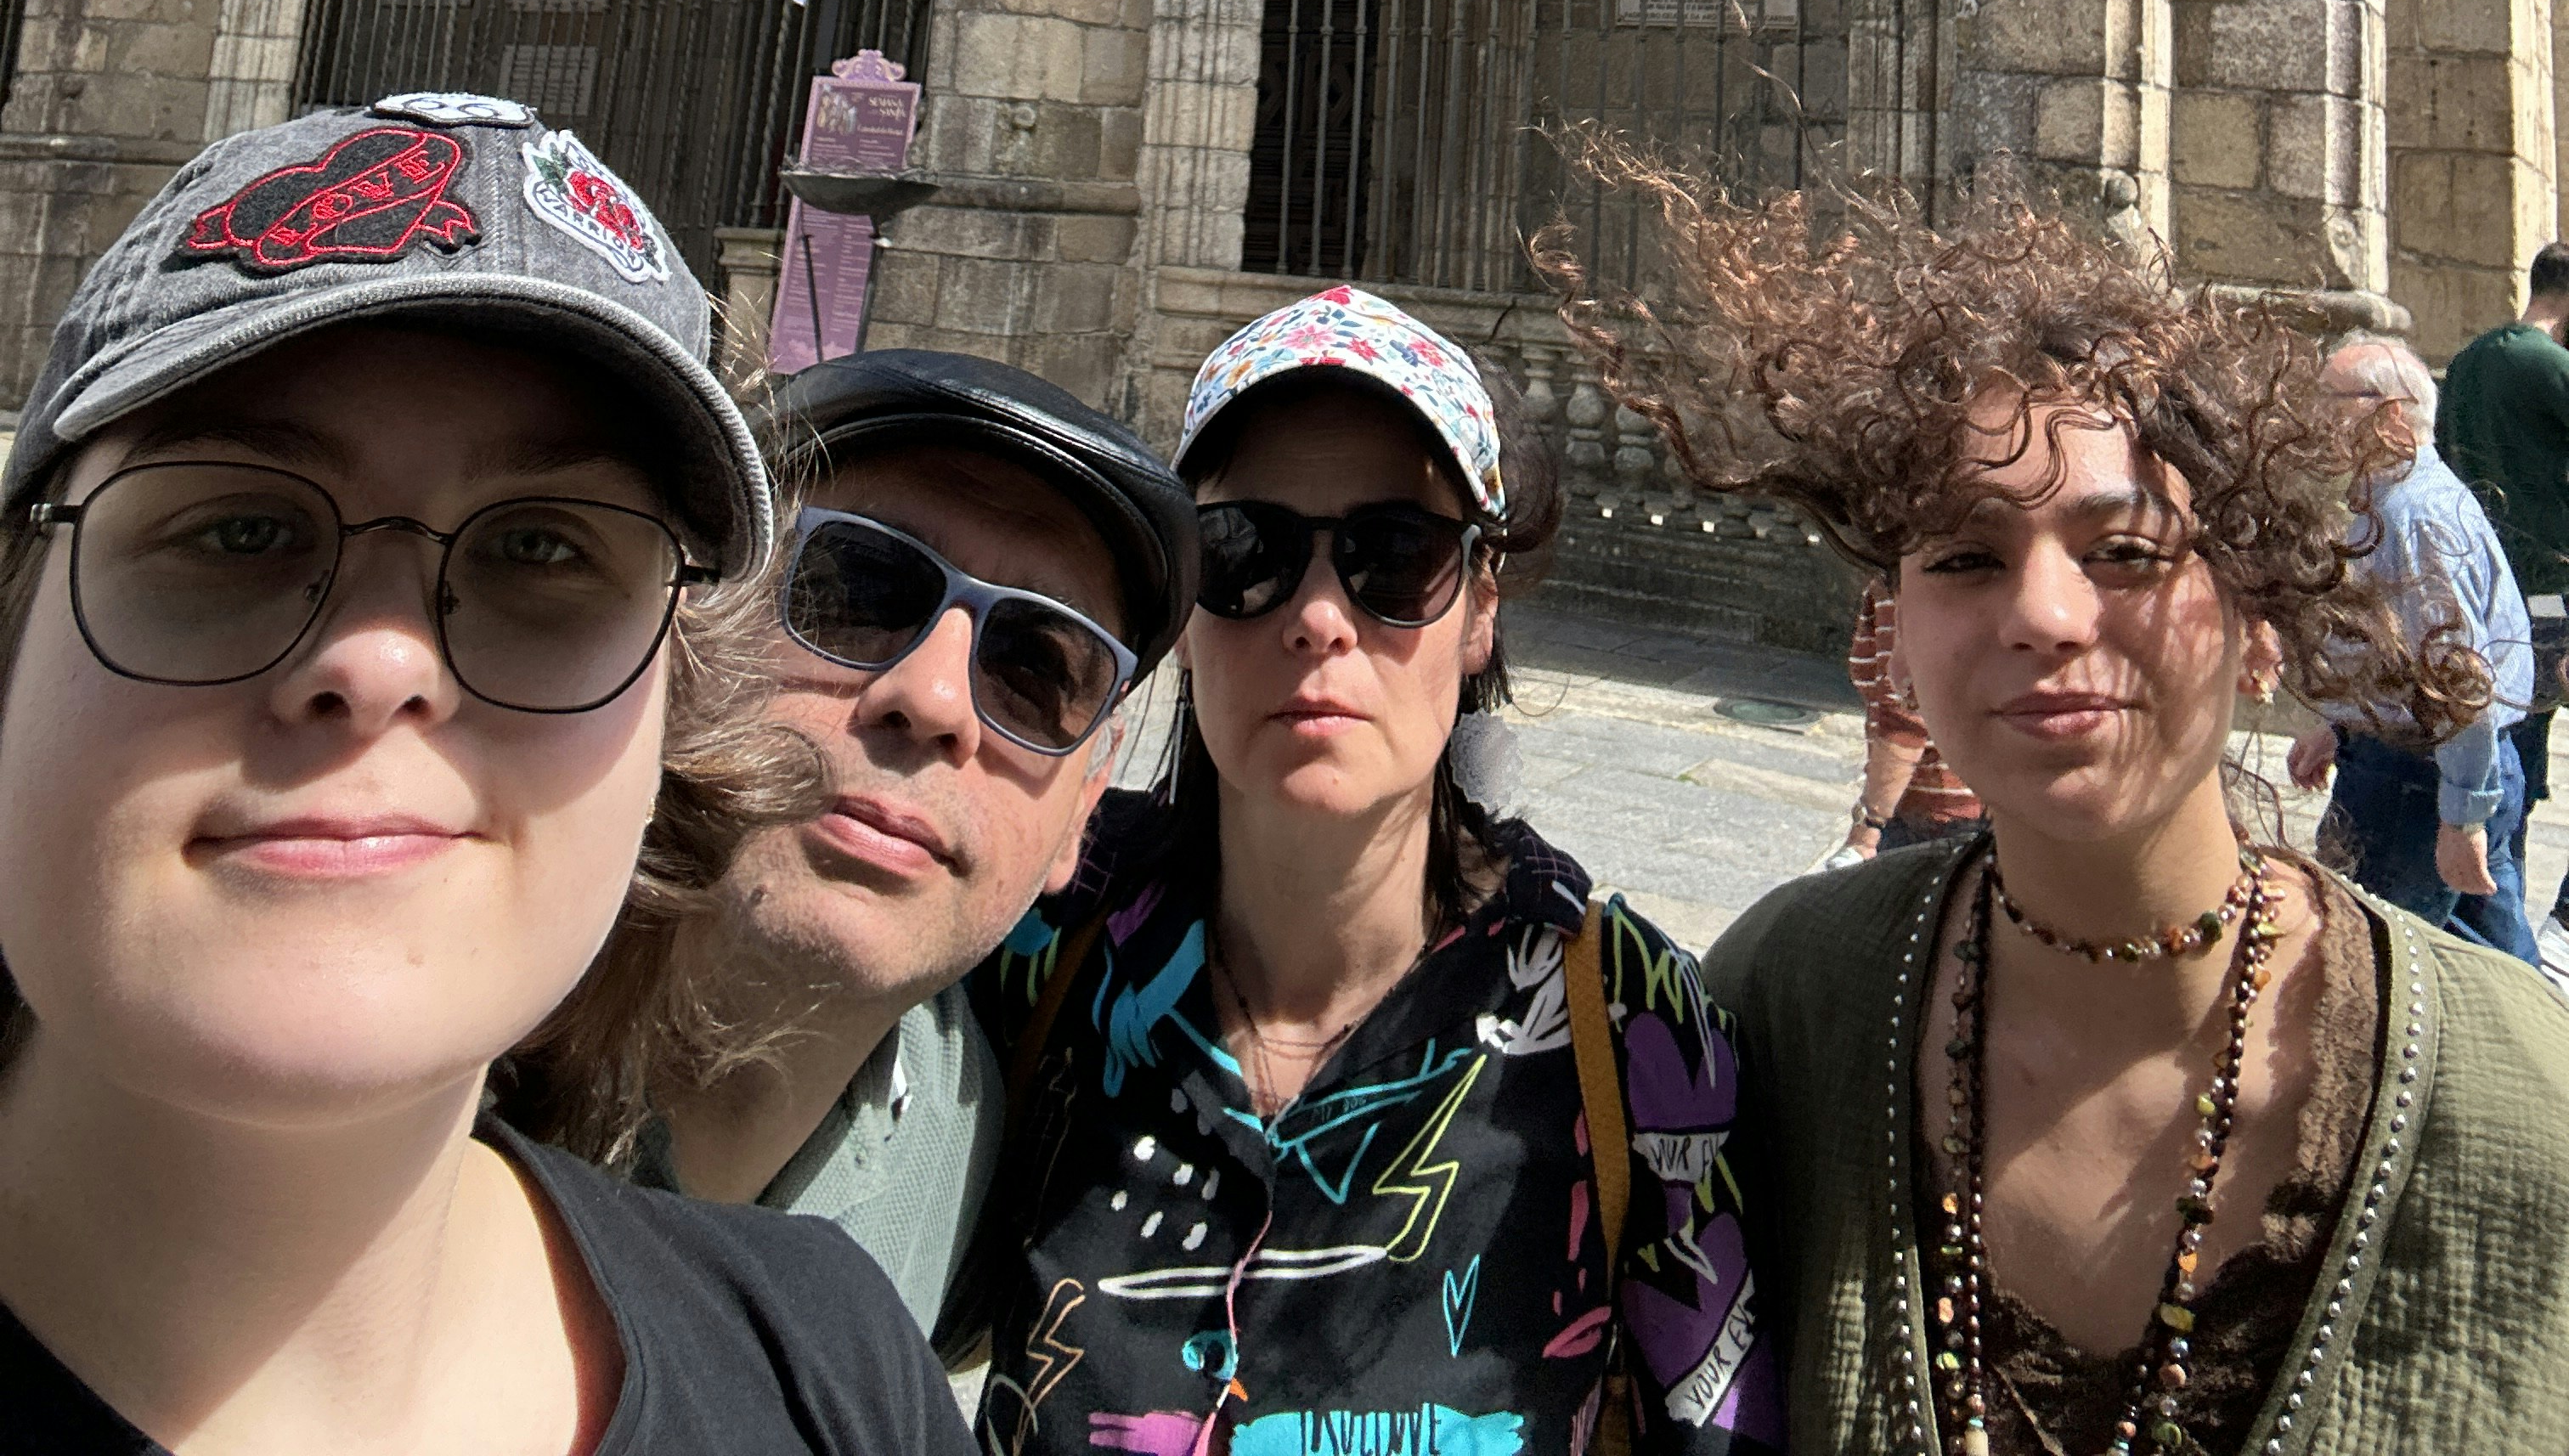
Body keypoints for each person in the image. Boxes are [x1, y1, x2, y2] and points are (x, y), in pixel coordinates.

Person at [0, 93, 974, 1456]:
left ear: (667, 755)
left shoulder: (826, 1372)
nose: (382, 659)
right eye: (239, 528)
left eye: (542, 553)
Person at [1560, 183, 2569, 1456]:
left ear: (2259, 622)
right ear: (1898, 632)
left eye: (2130, 552)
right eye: (1966, 557)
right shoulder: (1779, 1007)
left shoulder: (2525, 1106)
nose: (2042, 614)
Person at [976, 284, 1785, 1454]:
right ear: (1183, 608)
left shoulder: (1629, 1024)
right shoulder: (1042, 952)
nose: (1316, 616)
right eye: (1245, 553)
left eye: (1392, 558)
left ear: (1479, 612)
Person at [623, 349, 1197, 1340]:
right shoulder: (419, 1068)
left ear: (1083, 811)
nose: (932, 700)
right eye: (856, 589)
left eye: (1032, 668)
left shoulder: (964, 1151)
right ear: (690, 634)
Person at [2284, 337, 2539, 964]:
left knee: (2363, 961)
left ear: (2392, 414)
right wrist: (2340, 721)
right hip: (2433, 769)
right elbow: (2398, 647)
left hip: (2419, 780)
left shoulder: (2415, 517)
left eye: (2333, 399)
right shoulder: (2394, 500)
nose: (2317, 414)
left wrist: (2461, 817)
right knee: (2499, 962)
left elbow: (2459, 681)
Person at [2436, 238, 2569, 960]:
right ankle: (2537, 937)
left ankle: (2499, 926)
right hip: (2550, 594)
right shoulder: (2545, 362)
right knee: (2518, 759)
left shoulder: (2464, 362)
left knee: (2511, 758)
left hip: (2491, 594)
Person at [1833, 575, 1985, 864]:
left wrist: (1867, 828)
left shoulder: (1910, 576)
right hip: (1967, 809)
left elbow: (1905, 714)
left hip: (1936, 819)